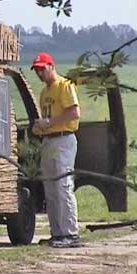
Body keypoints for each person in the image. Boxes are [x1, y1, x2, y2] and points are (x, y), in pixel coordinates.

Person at [31, 52, 82, 248]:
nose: (40, 73)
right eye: (37, 70)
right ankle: (57, 233)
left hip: (64, 139)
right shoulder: (45, 92)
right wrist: (40, 127)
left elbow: (74, 113)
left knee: (63, 186)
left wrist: (50, 122)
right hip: (49, 140)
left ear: (52, 66)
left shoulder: (65, 85)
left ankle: (70, 233)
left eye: (42, 69)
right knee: (50, 189)